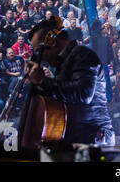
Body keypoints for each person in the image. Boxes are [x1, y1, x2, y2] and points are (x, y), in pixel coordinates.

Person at [26, 15, 115, 145]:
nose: (41, 58)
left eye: (39, 51)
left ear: (53, 42)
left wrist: (42, 81)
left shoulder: (82, 55)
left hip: (93, 139)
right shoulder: (64, 64)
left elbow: (83, 93)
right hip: (79, 138)